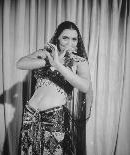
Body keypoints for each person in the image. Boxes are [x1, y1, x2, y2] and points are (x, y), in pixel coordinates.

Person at [17, 21, 92, 155]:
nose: (70, 43)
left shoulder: (79, 61)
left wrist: (58, 64)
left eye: (74, 39)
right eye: (65, 38)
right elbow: (21, 63)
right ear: (57, 38)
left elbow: (85, 87)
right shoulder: (45, 54)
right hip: (30, 114)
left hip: (53, 117)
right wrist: (50, 61)